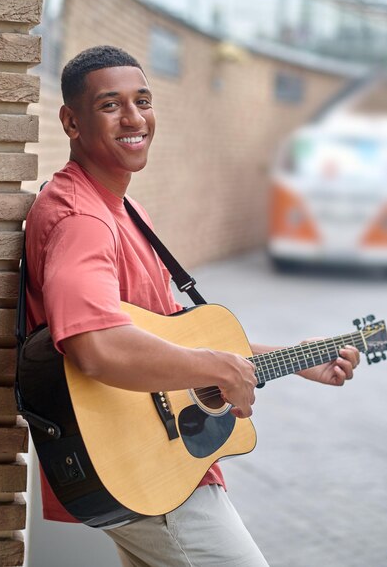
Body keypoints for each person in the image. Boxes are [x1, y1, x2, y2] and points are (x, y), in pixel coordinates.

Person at [25, 45, 360, 567]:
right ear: (70, 121)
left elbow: (172, 338)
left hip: (163, 463)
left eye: (143, 100)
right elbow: (94, 344)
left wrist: (293, 357)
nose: (134, 118)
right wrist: (216, 365)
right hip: (143, 465)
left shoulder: (127, 210)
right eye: (110, 105)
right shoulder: (82, 218)